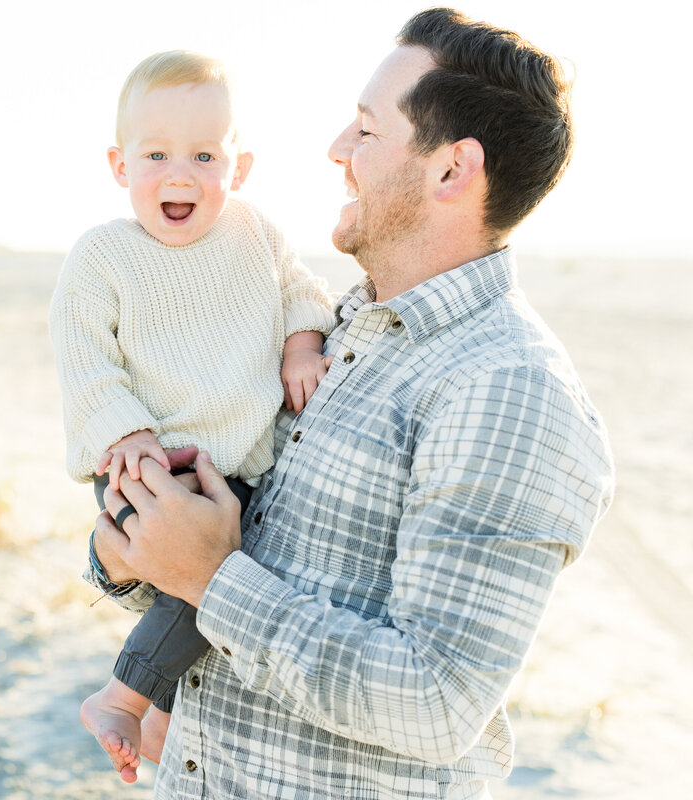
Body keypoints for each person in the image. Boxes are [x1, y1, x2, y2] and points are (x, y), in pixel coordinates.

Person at [88, 8, 615, 799]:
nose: (336, 148)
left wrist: (213, 579)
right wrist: (122, 551)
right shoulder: (335, 330)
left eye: (366, 132)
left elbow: (437, 704)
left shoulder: (507, 389)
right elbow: (227, 537)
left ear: (450, 171)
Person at [48, 51, 336, 783]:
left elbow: (303, 288)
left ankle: (163, 718)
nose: (180, 173)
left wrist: (303, 342)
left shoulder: (256, 234)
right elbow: (84, 358)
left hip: (239, 462)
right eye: (156, 154)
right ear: (119, 165)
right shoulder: (104, 257)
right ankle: (121, 695)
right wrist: (127, 432)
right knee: (216, 566)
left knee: (216, 577)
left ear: (238, 168)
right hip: (150, 462)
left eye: (205, 155)